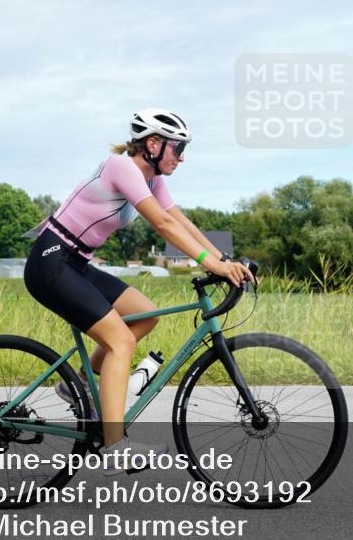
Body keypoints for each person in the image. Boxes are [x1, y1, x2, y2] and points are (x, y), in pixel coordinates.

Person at [23, 108, 254, 472]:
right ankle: (115, 449)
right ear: (153, 144)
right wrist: (211, 265)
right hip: (51, 261)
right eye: (178, 149)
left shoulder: (152, 178)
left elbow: (179, 220)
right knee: (120, 342)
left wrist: (222, 258)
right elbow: (161, 224)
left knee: (143, 315)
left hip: (77, 262)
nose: (182, 157)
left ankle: (78, 384)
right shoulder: (121, 167)